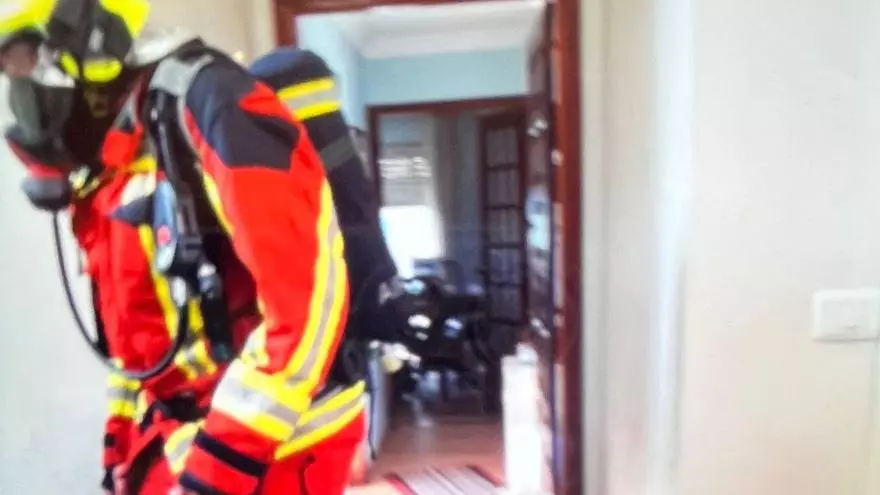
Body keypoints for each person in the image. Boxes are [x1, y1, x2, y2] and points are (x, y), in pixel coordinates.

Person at [0, 1, 371, 494]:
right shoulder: (112, 163)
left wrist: (216, 473)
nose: (19, 94)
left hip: (273, 453)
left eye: (24, 64)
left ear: (87, 44)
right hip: (175, 444)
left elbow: (305, 303)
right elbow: (138, 341)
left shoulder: (211, 104)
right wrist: (119, 443)